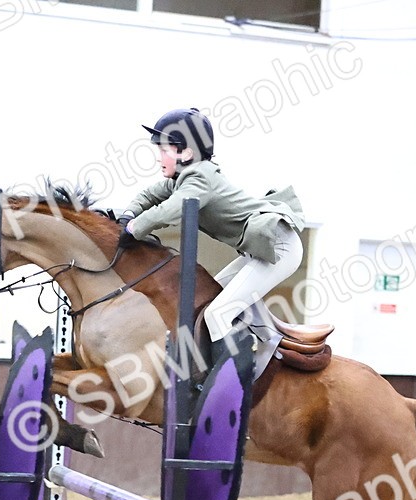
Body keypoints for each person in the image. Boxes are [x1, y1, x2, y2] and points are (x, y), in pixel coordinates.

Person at [118, 108, 305, 362]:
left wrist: (133, 229)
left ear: (187, 153)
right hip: (261, 251)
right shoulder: (185, 177)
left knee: (216, 315)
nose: (158, 157)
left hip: (279, 249)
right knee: (207, 300)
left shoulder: (199, 178)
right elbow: (150, 195)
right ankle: (255, 352)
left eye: (164, 150)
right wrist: (128, 215)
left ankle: (233, 386)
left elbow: (170, 211)